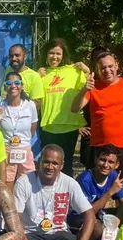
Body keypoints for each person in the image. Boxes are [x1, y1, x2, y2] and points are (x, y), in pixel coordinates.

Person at [13, 145, 96, 240]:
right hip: (32, 234)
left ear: (61, 165)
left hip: (59, 233)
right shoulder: (24, 182)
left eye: (55, 163)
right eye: (46, 161)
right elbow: (15, 218)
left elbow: (89, 214)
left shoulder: (69, 183)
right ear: (39, 162)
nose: (50, 166)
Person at [72, 49, 123, 178]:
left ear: (117, 65)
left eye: (110, 66)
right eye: (103, 67)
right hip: (99, 146)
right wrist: (84, 90)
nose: (107, 70)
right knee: (95, 184)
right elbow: (75, 108)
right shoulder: (92, 87)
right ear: (97, 70)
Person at [38, 38, 88, 176]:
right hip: (49, 126)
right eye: (51, 53)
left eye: (58, 54)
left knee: (65, 165)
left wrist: (87, 71)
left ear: (63, 55)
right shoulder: (41, 74)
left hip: (69, 126)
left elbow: (89, 85)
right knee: (47, 164)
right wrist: (36, 76)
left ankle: (65, 195)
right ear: (46, 54)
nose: (55, 57)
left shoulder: (74, 71)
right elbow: (30, 95)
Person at [70, 144, 123, 240]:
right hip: (77, 218)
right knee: (97, 228)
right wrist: (110, 192)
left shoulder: (113, 175)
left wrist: (115, 223)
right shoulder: (84, 180)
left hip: (98, 214)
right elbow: (86, 213)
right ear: (95, 159)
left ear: (117, 165)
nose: (106, 165)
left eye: (111, 162)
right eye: (102, 160)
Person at [0, 72, 39, 189]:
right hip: (6, 150)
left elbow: (33, 128)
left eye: (17, 82)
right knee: (6, 184)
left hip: (25, 150)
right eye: (9, 83)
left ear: (22, 86)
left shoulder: (30, 105)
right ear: (5, 86)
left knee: (28, 184)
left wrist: (23, 143)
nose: (13, 86)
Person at [4, 44, 45, 113]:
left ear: (25, 56)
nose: (14, 58)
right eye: (11, 56)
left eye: (17, 55)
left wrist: (19, 110)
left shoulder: (34, 76)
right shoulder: (8, 70)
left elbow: (37, 103)